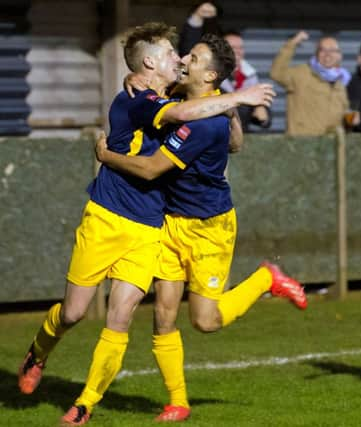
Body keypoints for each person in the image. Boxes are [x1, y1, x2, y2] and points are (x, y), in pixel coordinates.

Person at [16, 22, 275, 425]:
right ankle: (38, 351)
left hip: (151, 225)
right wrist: (239, 95)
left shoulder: (177, 94)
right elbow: (182, 116)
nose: (181, 58)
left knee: (121, 316)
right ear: (152, 62)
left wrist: (228, 100)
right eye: (174, 54)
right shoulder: (137, 98)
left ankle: (85, 403)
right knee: (73, 314)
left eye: (187, 56)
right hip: (104, 218)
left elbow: (223, 133)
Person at [95, 34, 307, 423]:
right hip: (173, 220)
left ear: (209, 75)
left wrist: (106, 155)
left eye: (193, 57)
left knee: (204, 321)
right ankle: (177, 401)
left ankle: (265, 278)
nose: (183, 59)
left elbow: (151, 168)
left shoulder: (205, 123)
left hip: (210, 228)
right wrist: (133, 82)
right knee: (162, 315)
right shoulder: (185, 94)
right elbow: (152, 91)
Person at [270, 30, 352, 136]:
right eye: (323, 50)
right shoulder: (301, 74)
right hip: (302, 144)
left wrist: (350, 122)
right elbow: (276, 73)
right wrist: (293, 43)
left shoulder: (341, 81)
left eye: (332, 50)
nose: (328, 54)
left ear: (339, 56)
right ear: (317, 54)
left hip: (329, 146)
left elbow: (342, 115)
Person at [222, 30, 272, 132]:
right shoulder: (210, 74)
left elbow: (261, 113)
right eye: (233, 47)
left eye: (240, 48)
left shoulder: (249, 75)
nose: (238, 51)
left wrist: (262, 111)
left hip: (240, 135)